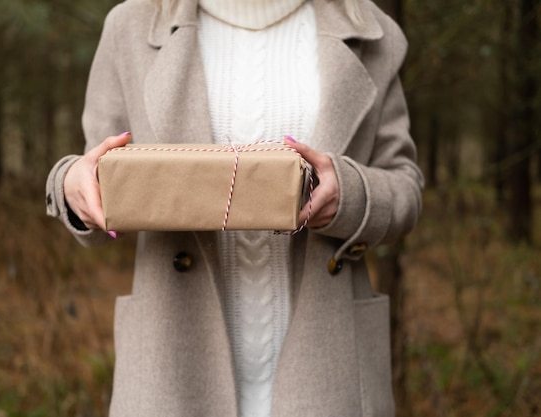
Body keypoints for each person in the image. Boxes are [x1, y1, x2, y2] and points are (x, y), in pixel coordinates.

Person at [45, 0, 424, 415]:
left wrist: (349, 194)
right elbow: (93, 169)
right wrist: (69, 184)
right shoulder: (131, 26)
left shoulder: (369, 29)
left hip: (326, 359)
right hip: (172, 358)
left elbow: (404, 185)